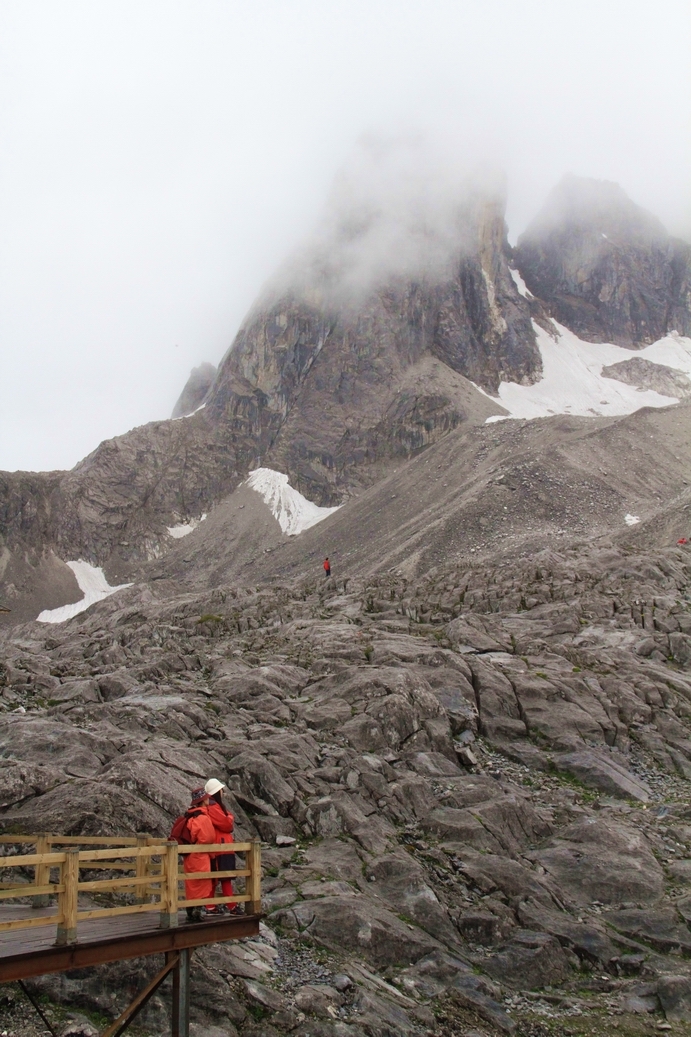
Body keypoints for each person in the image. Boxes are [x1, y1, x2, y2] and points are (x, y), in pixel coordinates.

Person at [182, 787, 219, 922]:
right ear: (204, 801)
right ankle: (197, 913)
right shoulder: (203, 818)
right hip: (201, 856)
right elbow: (208, 838)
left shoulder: (189, 816)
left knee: (191, 885)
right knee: (202, 884)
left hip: (189, 855)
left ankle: (189, 912)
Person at [204, 777, 237, 914]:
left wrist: (228, 817)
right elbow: (227, 823)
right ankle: (230, 906)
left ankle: (211, 906)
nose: (223, 792)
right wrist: (229, 817)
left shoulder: (211, 806)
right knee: (224, 876)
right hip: (221, 846)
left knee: (217, 877)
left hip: (220, 846)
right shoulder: (213, 807)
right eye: (221, 790)